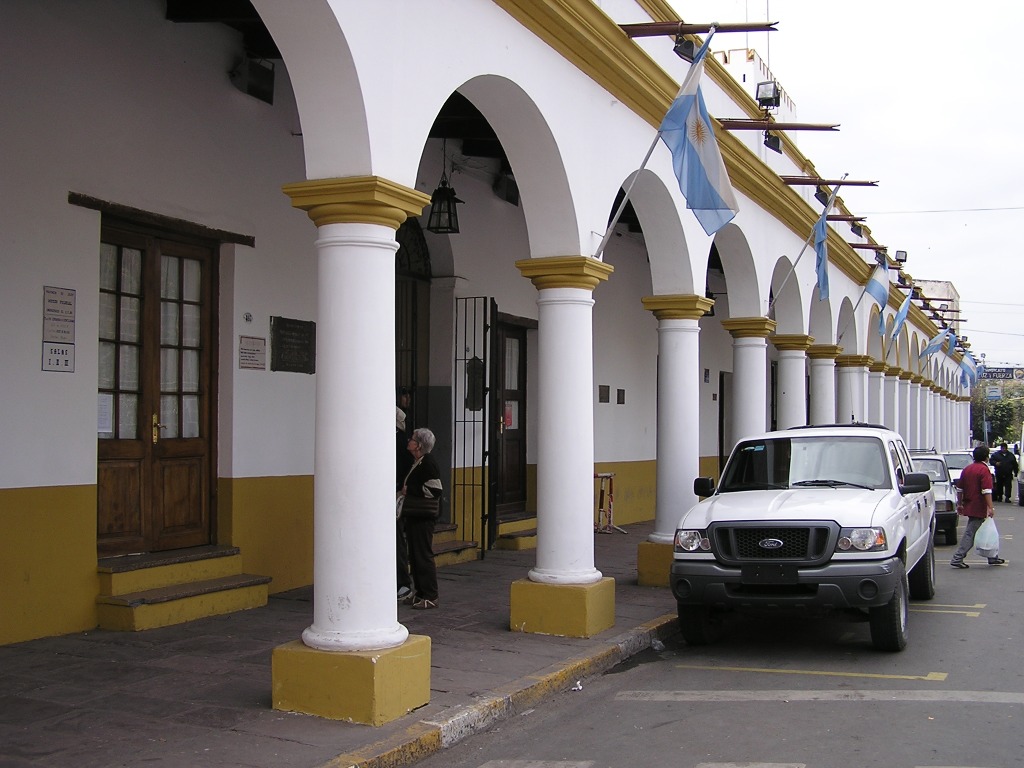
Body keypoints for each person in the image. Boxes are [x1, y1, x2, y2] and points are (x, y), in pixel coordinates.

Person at [399, 427, 442, 609]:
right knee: (415, 556)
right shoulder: (418, 461)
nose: (409, 440)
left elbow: (435, 490)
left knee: (422, 555)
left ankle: (430, 595)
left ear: (419, 446)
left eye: (413, 439)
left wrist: (410, 490)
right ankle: (420, 593)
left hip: (423, 517)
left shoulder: (428, 463)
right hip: (415, 515)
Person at [950, 445, 1006, 568]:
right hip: (979, 506)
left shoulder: (967, 469)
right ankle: (958, 558)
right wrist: (990, 507)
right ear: (986, 457)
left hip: (969, 504)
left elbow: (960, 488)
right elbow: (986, 490)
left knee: (984, 530)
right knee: (970, 533)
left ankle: (992, 557)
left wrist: (960, 504)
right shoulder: (984, 470)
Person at [395, 407, 414, 601]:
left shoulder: (398, 441)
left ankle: (402, 583)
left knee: (397, 540)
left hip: (394, 496)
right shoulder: (401, 440)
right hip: (394, 494)